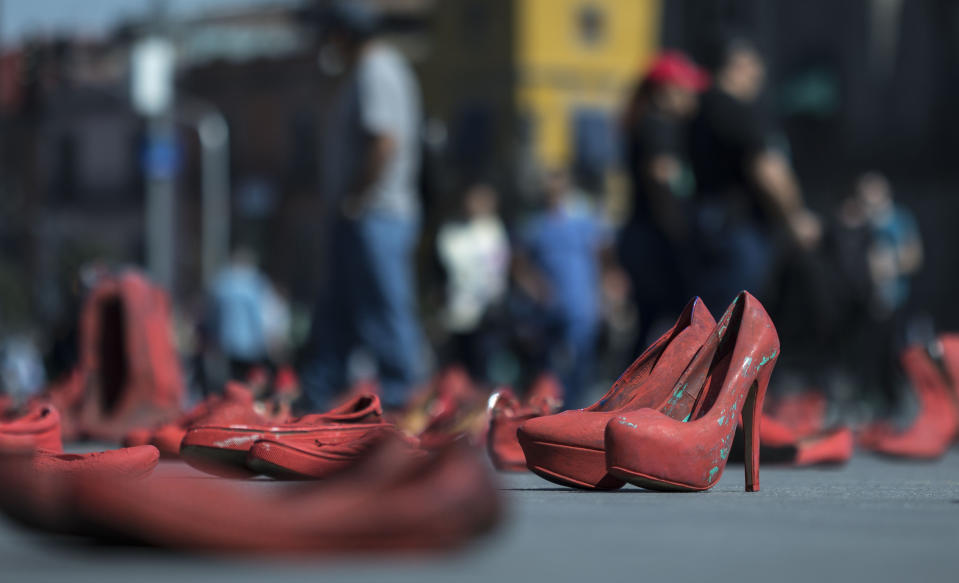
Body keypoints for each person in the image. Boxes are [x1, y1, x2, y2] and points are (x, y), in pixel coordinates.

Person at [299, 0, 424, 411]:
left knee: (382, 310)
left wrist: (355, 194)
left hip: (376, 214)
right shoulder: (369, 70)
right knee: (339, 313)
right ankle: (317, 400)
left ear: (345, 33)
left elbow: (384, 140)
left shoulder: (376, 70)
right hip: (362, 215)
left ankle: (405, 401)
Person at [688, 38, 821, 310]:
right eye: (756, 67)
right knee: (733, 323)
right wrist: (795, 217)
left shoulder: (699, 110)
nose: (760, 76)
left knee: (706, 316)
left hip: (707, 223)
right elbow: (767, 170)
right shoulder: (737, 111)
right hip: (739, 229)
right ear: (738, 65)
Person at [618, 51, 708, 351]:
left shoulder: (645, 122)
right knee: (670, 318)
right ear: (666, 90)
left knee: (649, 320)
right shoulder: (657, 125)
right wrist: (677, 231)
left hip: (642, 236)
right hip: (655, 238)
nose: (692, 98)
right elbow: (661, 178)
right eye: (686, 89)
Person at [513, 169, 618, 408]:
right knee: (548, 369)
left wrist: (606, 289)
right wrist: (534, 287)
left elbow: (603, 255)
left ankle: (578, 409)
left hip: (581, 305)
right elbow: (519, 264)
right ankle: (548, 409)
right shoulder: (533, 223)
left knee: (582, 361)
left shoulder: (583, 219)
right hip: (547, 310)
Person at [436, 183, 511, 384]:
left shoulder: (493, 230)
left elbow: (497, 269)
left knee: (484, 368)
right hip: (458, 311)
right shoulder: (451, 232)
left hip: (488, 313)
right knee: (458, 369)